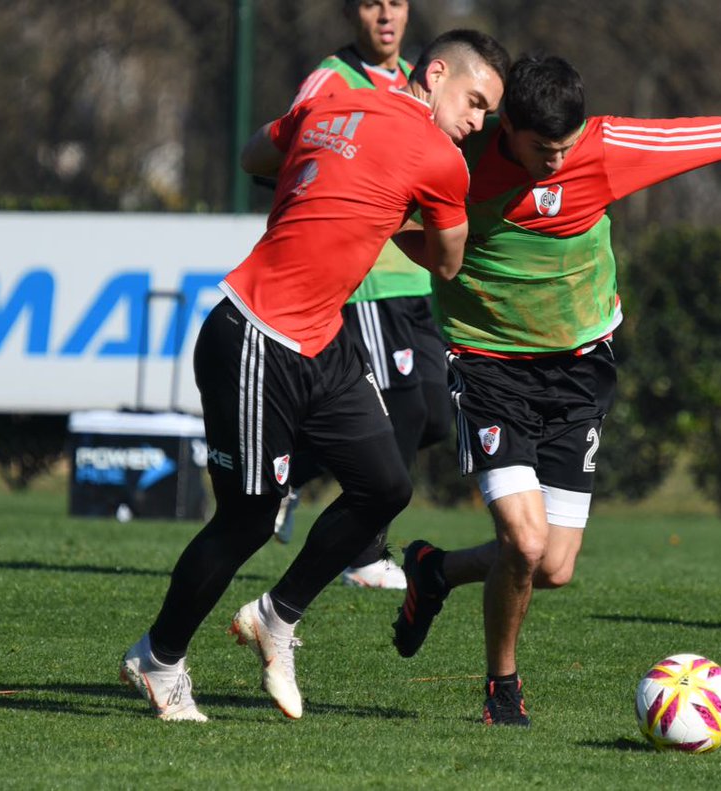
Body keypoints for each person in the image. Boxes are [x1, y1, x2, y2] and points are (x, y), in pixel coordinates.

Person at [391, 54, 721, 726]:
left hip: (580, 368)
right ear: (509, 127)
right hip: (489, 368)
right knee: (523, 544)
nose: (557, 162)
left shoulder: (607, 148)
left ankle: (434, 571)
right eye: (541, 148)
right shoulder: (458, 160)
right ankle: (502, 688)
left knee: (552, 566)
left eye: (565, 147)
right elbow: (397, 216)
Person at [119, 29, 510, 723]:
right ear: (438, 72)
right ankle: (158, 658)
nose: (478, 121)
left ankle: (276, 616)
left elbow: (255, 156)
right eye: (476, 101)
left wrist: (343, 186)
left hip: (321, 340)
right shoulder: (443, 160)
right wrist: (386, 213)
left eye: (487, 113)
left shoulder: (332, 98)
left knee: (385, 485)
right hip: (255, 336)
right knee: (245, 520)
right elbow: (449, 263)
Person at [272, 0, 454, 593]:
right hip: (370, 277)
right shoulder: (331, 78)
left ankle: (290, 471)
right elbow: (290, 147)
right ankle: (364, 552)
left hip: (415, 277)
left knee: (432, 412)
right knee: (399, 409)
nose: (386, 15)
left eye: (396, 3)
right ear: (353, 12)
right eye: (373, 2)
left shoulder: (419, 81)